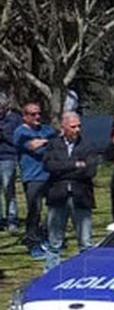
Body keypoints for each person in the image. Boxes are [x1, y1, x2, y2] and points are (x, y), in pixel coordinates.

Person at [42, 112, 97, 267]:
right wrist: (75, 164)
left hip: (81, 195)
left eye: (79, 126)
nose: (77, 129)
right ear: (63, 127)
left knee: (85, 241)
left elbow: (90, 170)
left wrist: (63, 167)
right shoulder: (53, 144)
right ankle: (51, 273)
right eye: (73, 127)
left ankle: (87, 272)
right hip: (58, 195)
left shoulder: (87, 145)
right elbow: (49, 166)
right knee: (54, 241)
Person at [14, 101, 56, 256]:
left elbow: (58, 140)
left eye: (39, 113)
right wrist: (47, 141)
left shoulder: (46, 129)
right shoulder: (20, 132)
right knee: (35, 211)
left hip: (50, 175)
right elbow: (32, 147)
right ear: (25, 116)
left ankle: (45, 234)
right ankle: (32, 242)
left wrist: (45, 142)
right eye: (33, 114)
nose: (37, 117)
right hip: (33, 177)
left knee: (55, 208)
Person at [0, 91, 21, 232]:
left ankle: (12, 219)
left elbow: (18, 140)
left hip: (8, 158)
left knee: (8, 189)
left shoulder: (14, 119)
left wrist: (3, 133)